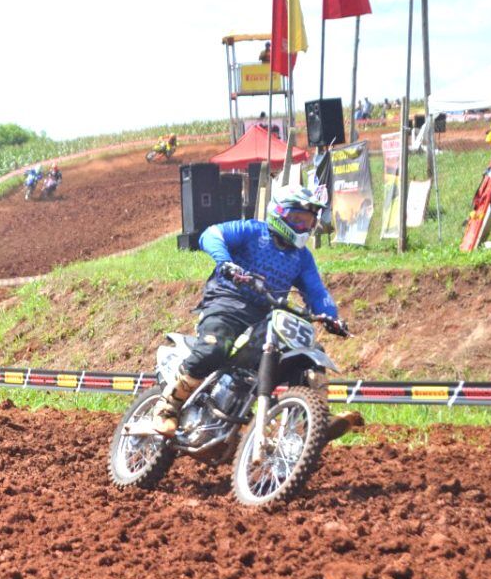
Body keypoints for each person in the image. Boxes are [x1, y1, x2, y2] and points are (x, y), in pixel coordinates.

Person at [142, 185, 345, 436]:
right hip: (227, 302)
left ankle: (314, 420)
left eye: (308, 221)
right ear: (279, 214)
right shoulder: (252, 231)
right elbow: (212, 234)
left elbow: (316, 292)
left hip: (267, 316)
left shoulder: (302, 257)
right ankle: (168, 407)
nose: (303, 227)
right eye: (297, 219)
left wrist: (332, 318)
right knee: (215, 346)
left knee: (309, 353)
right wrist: (225, 262)